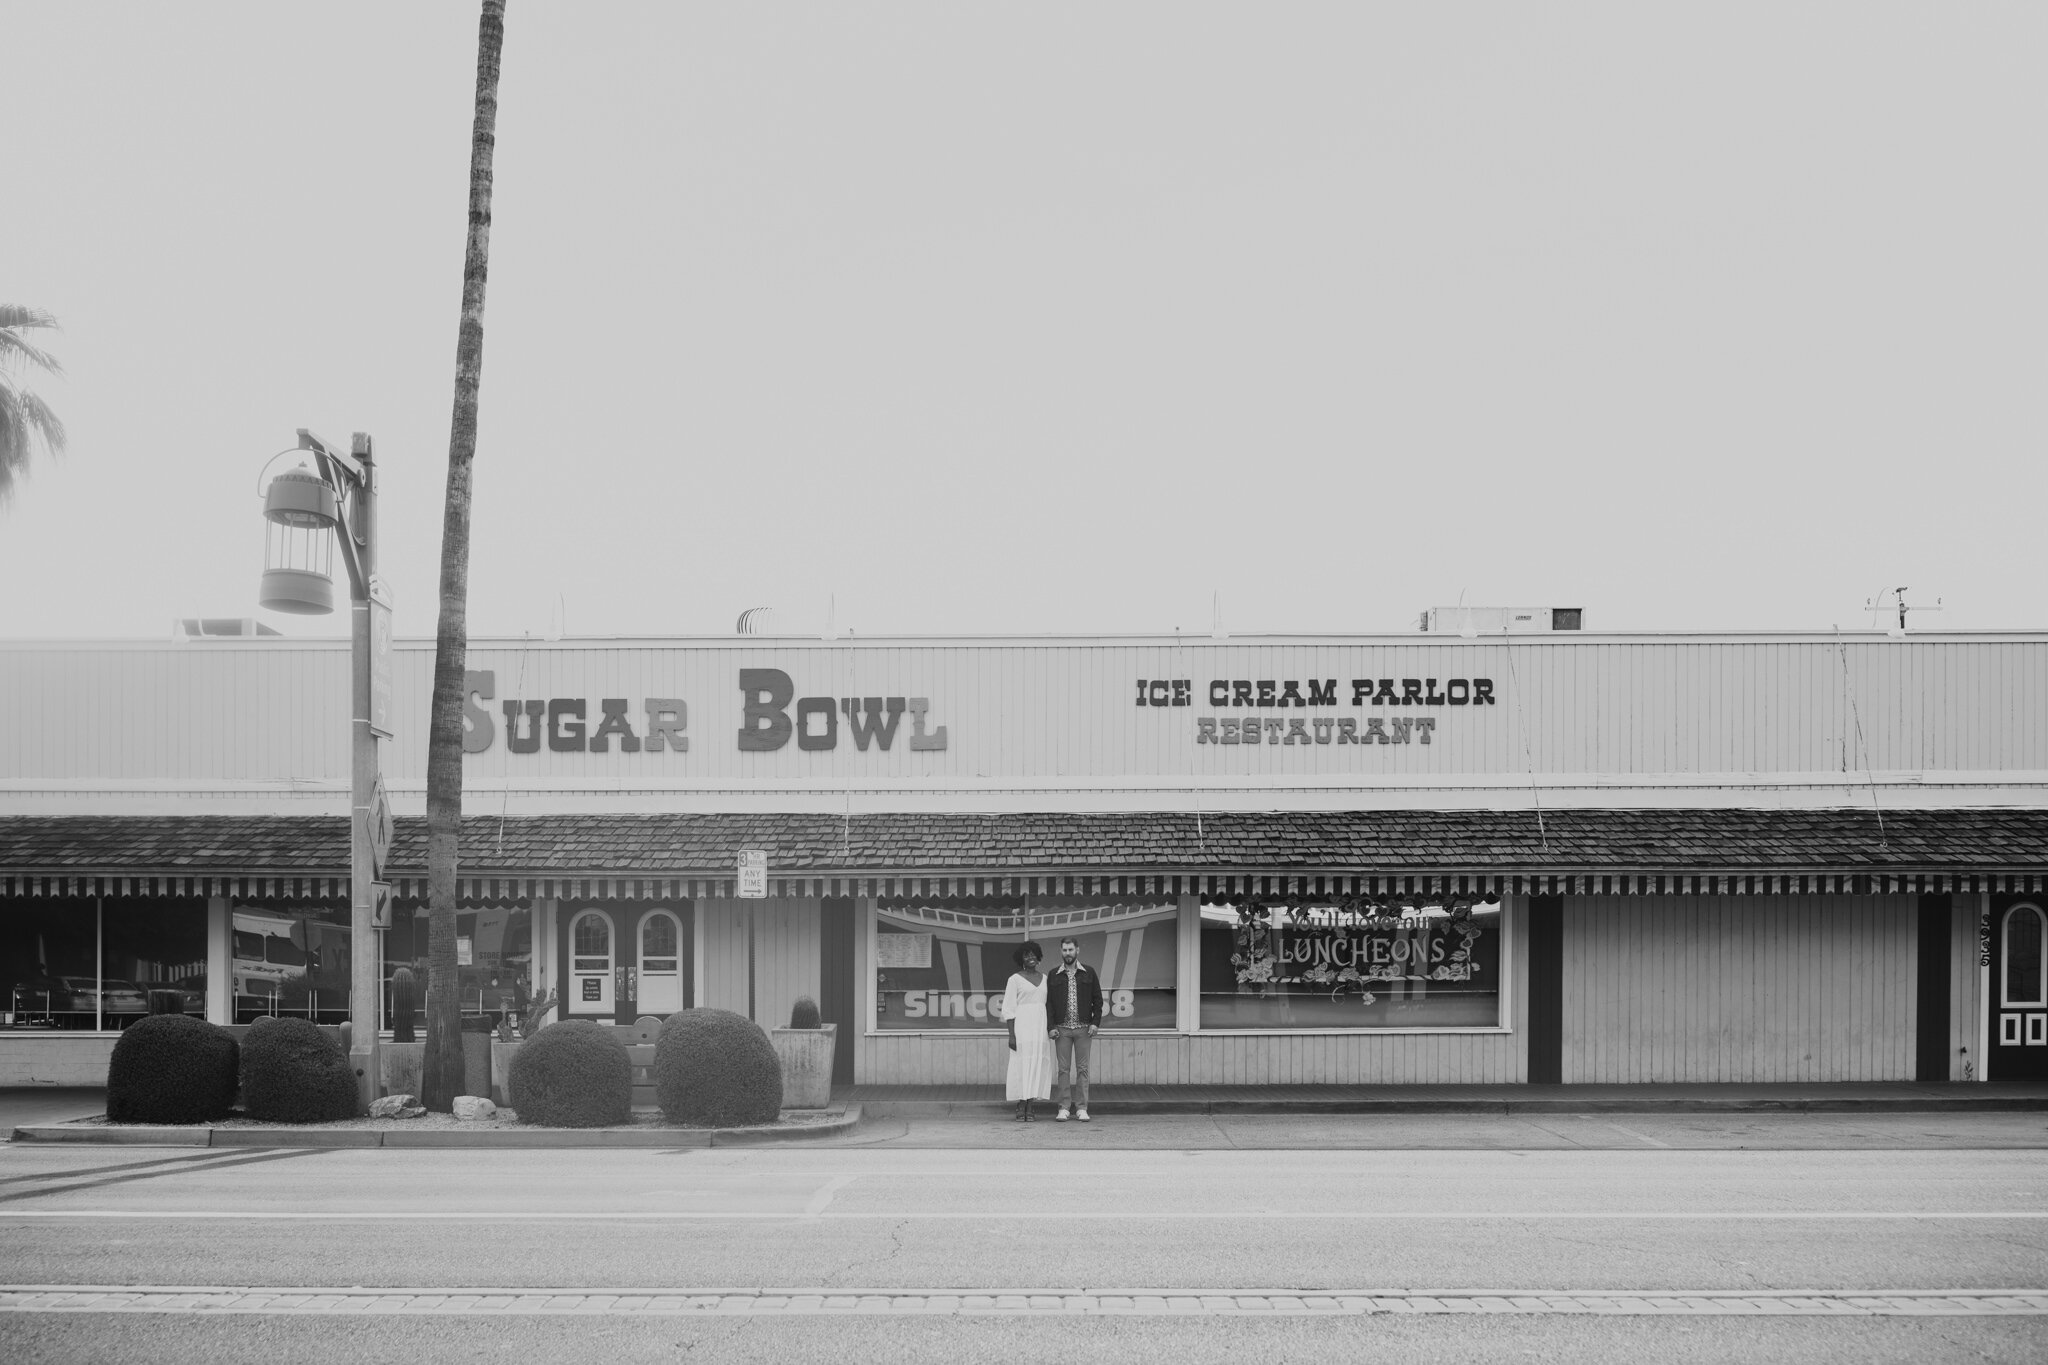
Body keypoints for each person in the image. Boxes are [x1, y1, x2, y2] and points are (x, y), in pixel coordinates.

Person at [1045, 935, 1103, 1122]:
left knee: (1083, 1069)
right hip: (1061, 1029)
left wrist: (1095, 1023)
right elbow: (1049, 1004)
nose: (1067, 953)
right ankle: (1063, 1108)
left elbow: (1098, 1000)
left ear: (1077, 950)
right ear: (1061, 951)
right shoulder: (1053, 974)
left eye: (1071, 949)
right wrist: (1051, 1026)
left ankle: (1081, 1108)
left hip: (1084, 1028)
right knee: (1063, 1070)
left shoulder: (1089, 972)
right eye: (1064, 950)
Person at [1001, 940, 1053, 1122]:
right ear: (1021, 958)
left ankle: (1031, 1104)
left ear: (1038, 957)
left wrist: (1050, 1028)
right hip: (1022, 1028)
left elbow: (1049, 1006)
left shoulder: (1046, 979)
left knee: (1036, 1065)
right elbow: (1008, 1009)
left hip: (1040, 1029)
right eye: (1026, 954)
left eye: (1033, 954)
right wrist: (1011, 1034)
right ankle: (1021, 1103)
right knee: (1022, 1066)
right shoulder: (1014, 979)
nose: (1030, 957)